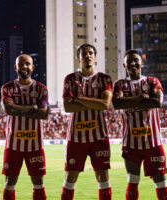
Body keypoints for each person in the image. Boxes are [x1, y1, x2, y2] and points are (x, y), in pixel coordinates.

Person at [113, 49, 167, 200]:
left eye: (136, 60)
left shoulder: (152, 81)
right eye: (129, 61)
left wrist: (130, 101)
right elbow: (117, 104)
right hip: (131, 143)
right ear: (124, 65)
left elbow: (157, 102)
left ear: (142, 63)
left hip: (153, 142)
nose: (133, 63)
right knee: (132, 182)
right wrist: (141, 98)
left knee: (161, 184)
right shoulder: (120, 84)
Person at [61, 43, 113, 200]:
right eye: (84, 54)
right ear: (79, 58)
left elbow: (104, 105)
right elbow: (68, 107)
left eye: (91, 53)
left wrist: (79, 98)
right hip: (76, 137)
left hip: (99, 137)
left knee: (102, 175)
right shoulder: (70, 79)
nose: (88, 55)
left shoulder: (105, 79)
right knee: (71, 176)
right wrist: (94, 101)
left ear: (95, 57)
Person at [1, 54, 49, 200]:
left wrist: (17, 108)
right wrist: (33, 107)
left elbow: (43, 114)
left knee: (38, 183)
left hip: (35, 145)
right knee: (10, 182)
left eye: (27, 64)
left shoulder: (41, 89)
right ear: (15, 67)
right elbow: (8, 110)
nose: (24, 67)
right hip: (13, 144)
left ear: (32, 67)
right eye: (21, 64)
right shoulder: (7, 88)